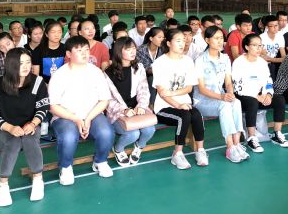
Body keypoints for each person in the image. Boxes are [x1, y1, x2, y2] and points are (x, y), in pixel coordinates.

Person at [0, 48, 49, 206]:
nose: (26, 66)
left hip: (29, 126)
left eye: (28, 62)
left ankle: (38, 179)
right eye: (21, 63)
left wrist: (33, 123)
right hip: (2, 130)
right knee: (13, 141)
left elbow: (43, 107)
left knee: (29, 139)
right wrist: (10, 128)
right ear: (11, 64)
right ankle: (3, 185)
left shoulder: (37, 82)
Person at [49, 36, 115, 185]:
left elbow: (104, 100)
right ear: (68, 54)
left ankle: (100, 161)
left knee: (106, 132)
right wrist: (76, 119)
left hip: (92, 113)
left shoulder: (96, 72)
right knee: (68, 136)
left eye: (86, 49)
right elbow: (53, 106)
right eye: (79, 50)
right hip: (65, 116)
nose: (85, 53)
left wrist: (89, 118)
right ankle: (65, 167)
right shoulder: (59, 75)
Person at [152, 29, 207, 169]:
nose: (183, 43)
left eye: (183, 40)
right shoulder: (159, 63)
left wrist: (172, 93)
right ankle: (177, 154)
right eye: (178, 41)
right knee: (184, 116)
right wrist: (177, 105)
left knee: (196, 114)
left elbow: (189, 88)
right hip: (164, 107)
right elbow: (162, 93)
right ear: (168, 43)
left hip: (184, 104)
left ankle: (200, 150)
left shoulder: (188, 61)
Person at [194, 26, 247, 163]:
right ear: (207, 40)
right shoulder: (200, 60)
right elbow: (202, 89)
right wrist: (222, 97)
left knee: (236, 102)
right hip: (202, 101)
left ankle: (237, 144)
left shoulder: (225, 58)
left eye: (221, 38)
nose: (220, 41)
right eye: (216, 38)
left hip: (221, 97)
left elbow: (228, 82)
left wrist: (230, 93)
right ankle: (230, 147)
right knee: (225, 105)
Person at [232, 34, 288, 152]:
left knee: (279, 99)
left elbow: (268, 81)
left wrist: (268, 94)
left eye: (260, 45)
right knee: (252, 102)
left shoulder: (262, 62)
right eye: (255, 45)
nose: (259, 48)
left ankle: (277, 133)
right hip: (243, 96)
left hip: (261, 95)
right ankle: (251, 138)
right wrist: (256, 96)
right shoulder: (238, 62)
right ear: (247, 47)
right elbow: (237, 86)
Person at [105, 37, 156, 167]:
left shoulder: (138, 67)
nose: (133, 51)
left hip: (138, 109)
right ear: (119, 51)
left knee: (149, 130)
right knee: (133, 134)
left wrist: (141, 106)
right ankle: (118, 149)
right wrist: (124, 110)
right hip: (118, 112)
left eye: (134, 48)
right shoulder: (108, 73)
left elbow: (144, 90)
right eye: (128, 49)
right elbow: (108, 99)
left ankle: (139, 147)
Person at [260, 15, 286, 80]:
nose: (275, 28)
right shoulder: (261, 38)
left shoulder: (280, 36)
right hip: (264, 64)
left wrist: (274, 60)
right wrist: (279, 60)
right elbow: (264, 58)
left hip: (274, 63)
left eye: (276, 25)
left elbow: (284, 56)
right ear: (267, 27)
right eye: (272, 26)